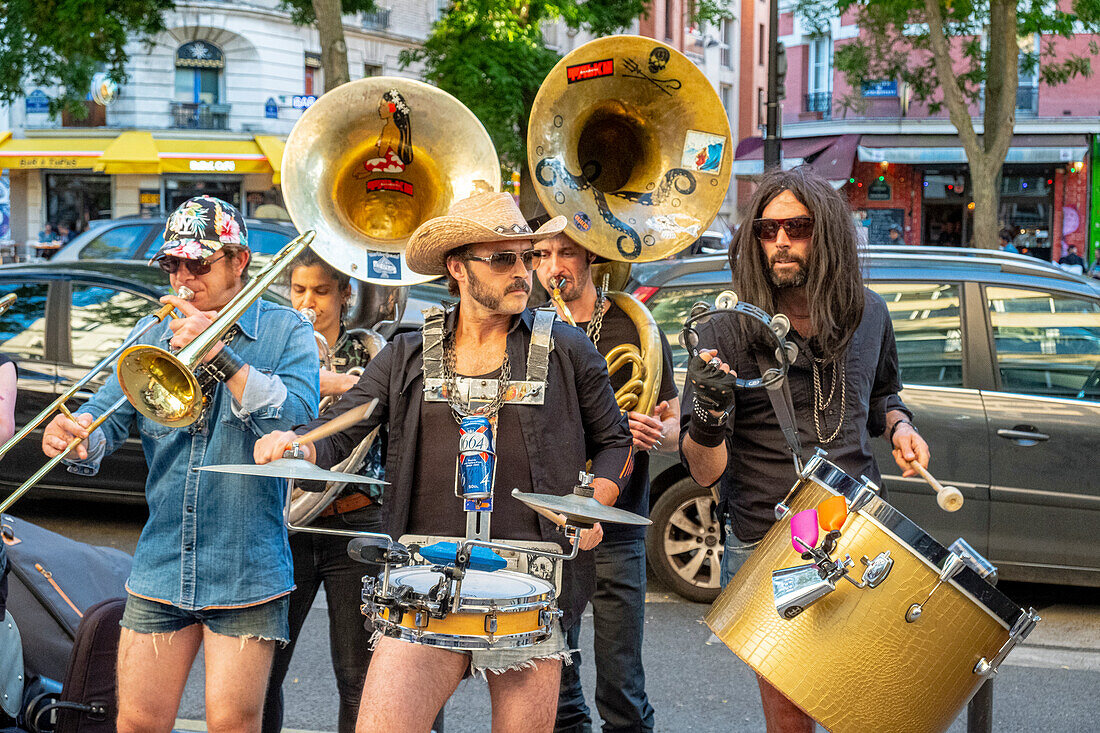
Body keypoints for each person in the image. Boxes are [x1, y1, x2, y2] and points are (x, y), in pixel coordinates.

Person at [254, 191, 633, 733]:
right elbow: (348, 424)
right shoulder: (408, 351)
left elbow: (615, 441)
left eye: (526, 257)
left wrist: (595, 501)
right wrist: (298, 443)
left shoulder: (568, 349)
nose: (523, 273)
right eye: (502, 259)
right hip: (424, 575)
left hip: (531, 581)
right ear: (457, 267)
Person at [41, 195, 319, 733]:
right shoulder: (152, 330)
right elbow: (105, 417)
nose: (183, 279)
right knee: (138, 721)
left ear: (239, 261)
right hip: (163, 559)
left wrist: (221, 355)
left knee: (232, 723)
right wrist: (77, 437)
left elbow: (298, 424)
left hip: (247, 568)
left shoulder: (286, 331)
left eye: (199, 264)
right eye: (173, 265)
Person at [679, 167, 931, 733]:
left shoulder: (870, 313)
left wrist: (899, 426)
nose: (781, 242)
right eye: (766, 231)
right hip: (770, 538)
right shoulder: (726, 329)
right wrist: (710, 416)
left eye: (796, 227)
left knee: (860, 702)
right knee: (791, 710)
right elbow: (702, 470)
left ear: (829, 234)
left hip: (858, 527)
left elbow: (884, 393)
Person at [532, 228, 678, 733]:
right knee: (559, 693)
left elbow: (674, 417)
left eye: (565, 253)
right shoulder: (526, 326)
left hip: (618, 526)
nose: (554, 267)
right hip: (551, 528)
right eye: (541, 256)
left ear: (589, 254)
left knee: (622, 690)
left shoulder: (635, 325)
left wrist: (654, 428)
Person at [262, 250, 387, 733]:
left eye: (320, 291)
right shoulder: (278, 350)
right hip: (286, 522)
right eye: (298, 290)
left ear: (344, 294)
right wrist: (323, 381)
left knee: (358, 675)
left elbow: (375, 405)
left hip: (353, 521)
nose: (308, 302)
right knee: (266, 670)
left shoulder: (369, 350)